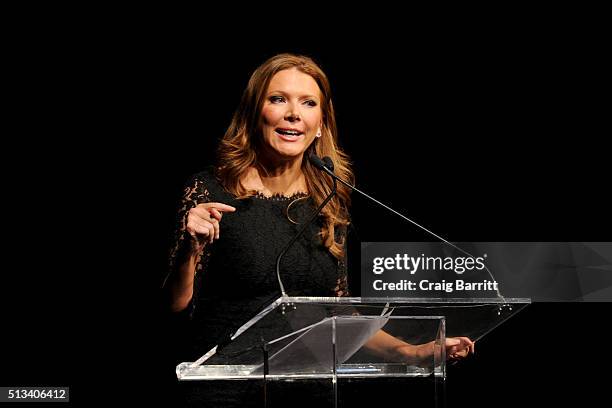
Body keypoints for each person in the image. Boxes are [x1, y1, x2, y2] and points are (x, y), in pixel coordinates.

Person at [162, 53, 473, 406]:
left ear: (320, 123)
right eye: (278, 99)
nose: (294, 113)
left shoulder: (329, 199)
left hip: (309, 393)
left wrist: (413, 352)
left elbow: (338, 313)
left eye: (308, 103)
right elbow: (174, 304)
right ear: (253, 112)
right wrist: (191, 248)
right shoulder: (210, 190)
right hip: (226, 391)